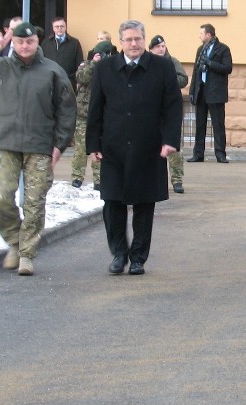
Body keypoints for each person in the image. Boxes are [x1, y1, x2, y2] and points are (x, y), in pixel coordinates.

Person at [0, 21, 76, 277]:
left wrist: (60, 144)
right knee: (2, 197)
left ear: (37, 42)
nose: (25, 46)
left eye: (30, 41)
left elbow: (67, 110)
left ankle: (26, 255)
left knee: (34, 202)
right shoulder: (0, 66)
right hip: (6, 142)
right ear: (13, 42)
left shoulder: (52, 71)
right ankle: (15, 241)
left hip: (40, 145)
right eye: (20, 42)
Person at [86, 20, 183, 276]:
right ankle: (119, 254)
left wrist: (170, 140)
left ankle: (138, 257)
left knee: (144, 204)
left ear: (144, 39)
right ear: (120, 42)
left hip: (148, 147)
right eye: (128, 39)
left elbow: (173, 106)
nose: (133, 44)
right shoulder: (105, 68)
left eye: (138, 39)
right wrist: (92, 144)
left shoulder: (161, 67)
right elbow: (95, 108)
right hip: (113, 148)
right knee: (112, 203)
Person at [72, 40, 114, 191]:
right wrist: (94, 63)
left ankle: (99, 179)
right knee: (81, 150)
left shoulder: (111, 66)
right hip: (84, 115)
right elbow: (81, 78)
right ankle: (77, 177)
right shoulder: (86, 65)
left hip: (101, 116)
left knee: (99, 150)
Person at [149, 34, 189, 193]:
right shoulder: (147, 63)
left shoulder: (172, 62)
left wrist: (168, 80)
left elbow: (183, 79)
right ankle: (153, 179)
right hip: (152, 110)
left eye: (163, 46)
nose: (161, 49)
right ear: (151, 49)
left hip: (170, 108)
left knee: (174, 145)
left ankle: (177, 179)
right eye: (158, 46)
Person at [188, 23, 232, 163]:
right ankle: (198, 154)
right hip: (201, 91)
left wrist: (210, 63)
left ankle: (220, 154)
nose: (199, 36)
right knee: (200, 125)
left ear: (208, 34)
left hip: (216, 93)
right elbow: (196, 71)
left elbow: (227, 68)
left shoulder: (223, 49)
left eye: (201, 33)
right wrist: (192, 91)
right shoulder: (200, 49)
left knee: (218, 125)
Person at [41, 17, 84, 88]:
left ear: (65, 27)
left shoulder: (74, 43)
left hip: (69, 82)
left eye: (62, 26)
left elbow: (79, 63)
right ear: (53, 28)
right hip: (50, 81)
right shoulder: (46, 43)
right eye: (57, 26)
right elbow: (41, 62)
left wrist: (78, 81)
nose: (59, 28)